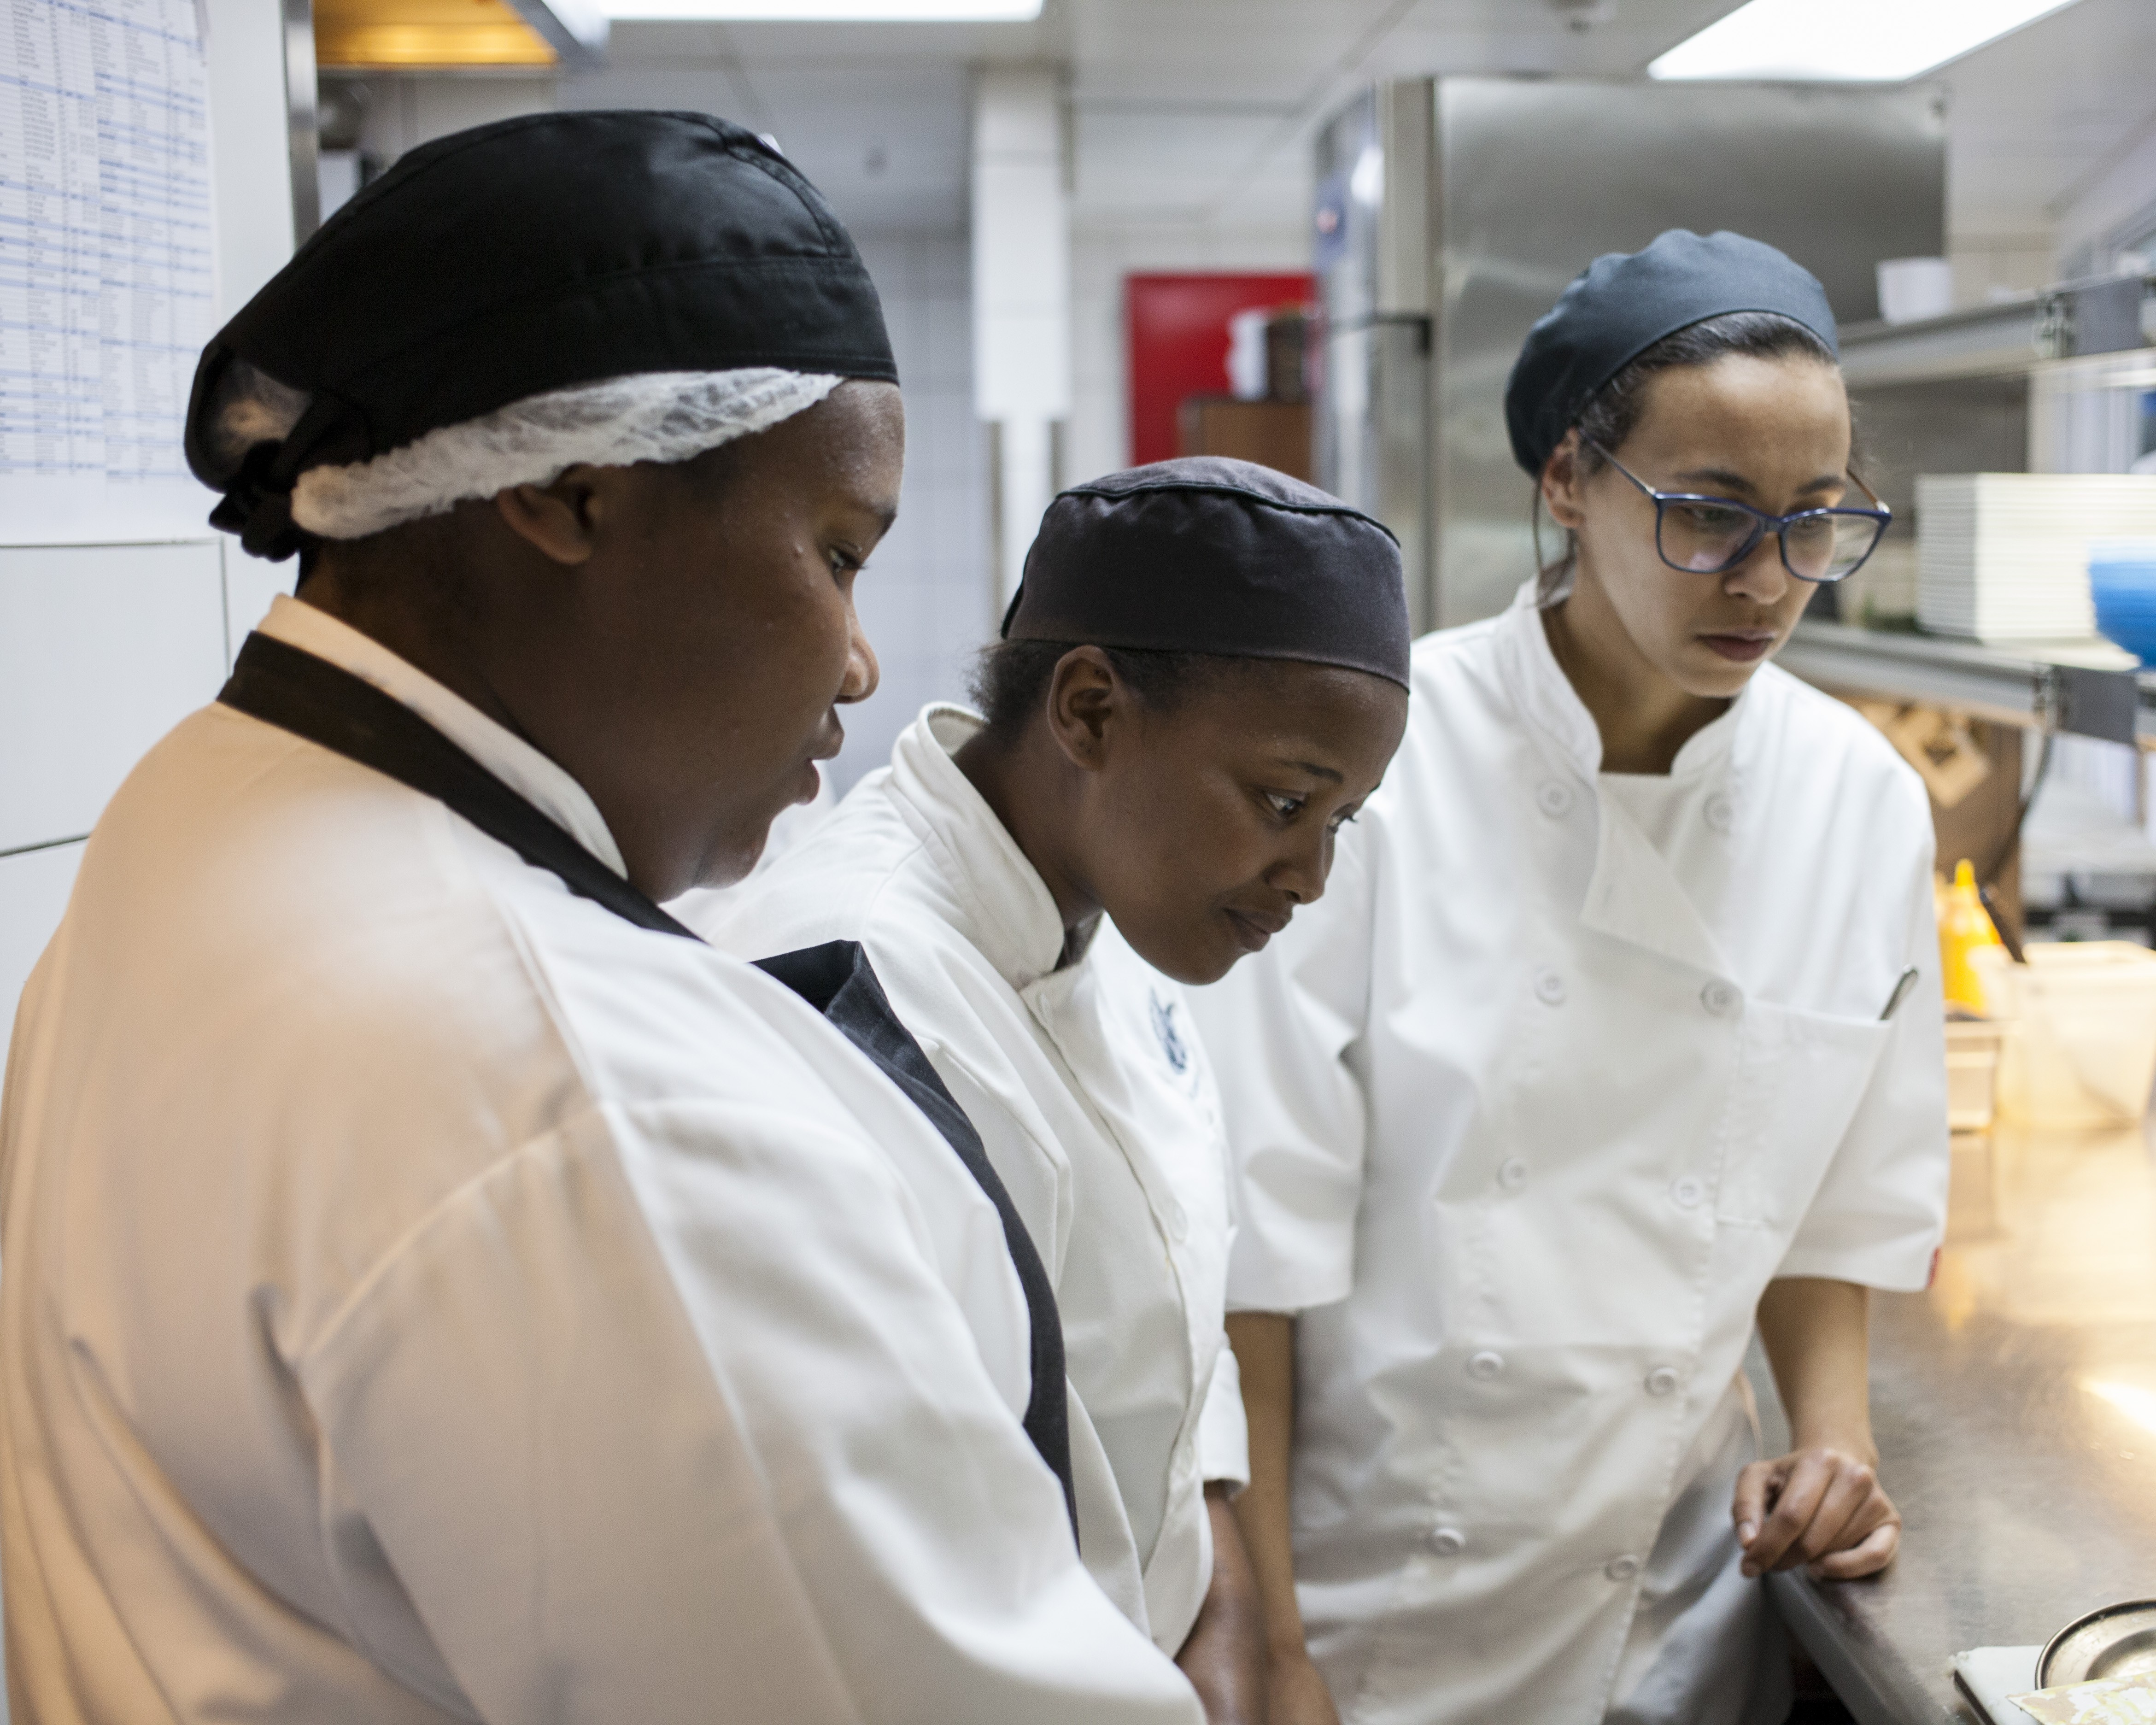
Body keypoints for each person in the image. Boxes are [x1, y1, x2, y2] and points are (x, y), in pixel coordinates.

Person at [0, 111, 1206, 1725]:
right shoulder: (585, 1100)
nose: (859, 662)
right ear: (574, 495)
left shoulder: (205, 812)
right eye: (838, 552)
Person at [1192, 230, 1950, 1725]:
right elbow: (1249, 1266)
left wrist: (1834, 1442)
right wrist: (1266, 1644)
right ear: (1566, 482)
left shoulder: (1859, 802)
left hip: (1668, 1610)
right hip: (1364, 1602)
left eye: (1815, 522)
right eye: (1709, 515)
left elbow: (1835, 1200)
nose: (1768, 581)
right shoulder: (1378, 768)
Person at [690, 458, 1412, 1723]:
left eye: (1342, 821)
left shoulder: (1113, 912)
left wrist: (1236, 1626)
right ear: (1088, 711)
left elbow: (1164, 1360)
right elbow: (909, 1581)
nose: (1309, 876)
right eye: (1286, 800)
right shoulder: (858, 997)